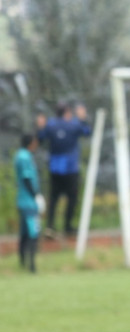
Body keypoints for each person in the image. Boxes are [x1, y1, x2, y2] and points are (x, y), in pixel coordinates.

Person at [35, 101, 91, 238]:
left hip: (55, 168)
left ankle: (50, 226)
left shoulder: (50, 125)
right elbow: (88, 132)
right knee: (72, 198)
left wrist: (40, 127)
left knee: (53, 198)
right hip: (71, 168)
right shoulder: (73, 124)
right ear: (67, 112)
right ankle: (68, 227)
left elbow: (40, 138)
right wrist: (83, 118)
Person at [14, 134, 44, 273]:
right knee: (33, 232)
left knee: (24, 232)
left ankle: (22, 262)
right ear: (31, 143)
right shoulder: (25, 157)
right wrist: (36, 195)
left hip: (22, 200)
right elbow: (26, 179)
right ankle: (32, 266)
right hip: (29, 202)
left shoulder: (20, 155)